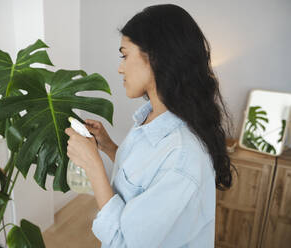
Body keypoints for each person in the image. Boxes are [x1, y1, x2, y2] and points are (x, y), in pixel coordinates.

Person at [64, 3, 234, 248]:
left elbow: (124, 242)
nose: (120, 68)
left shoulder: (183, 157)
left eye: (125, 55)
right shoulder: (153, 118)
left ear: (155, 57)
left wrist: (93, 165)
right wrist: (109, 146)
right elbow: (144, 180)